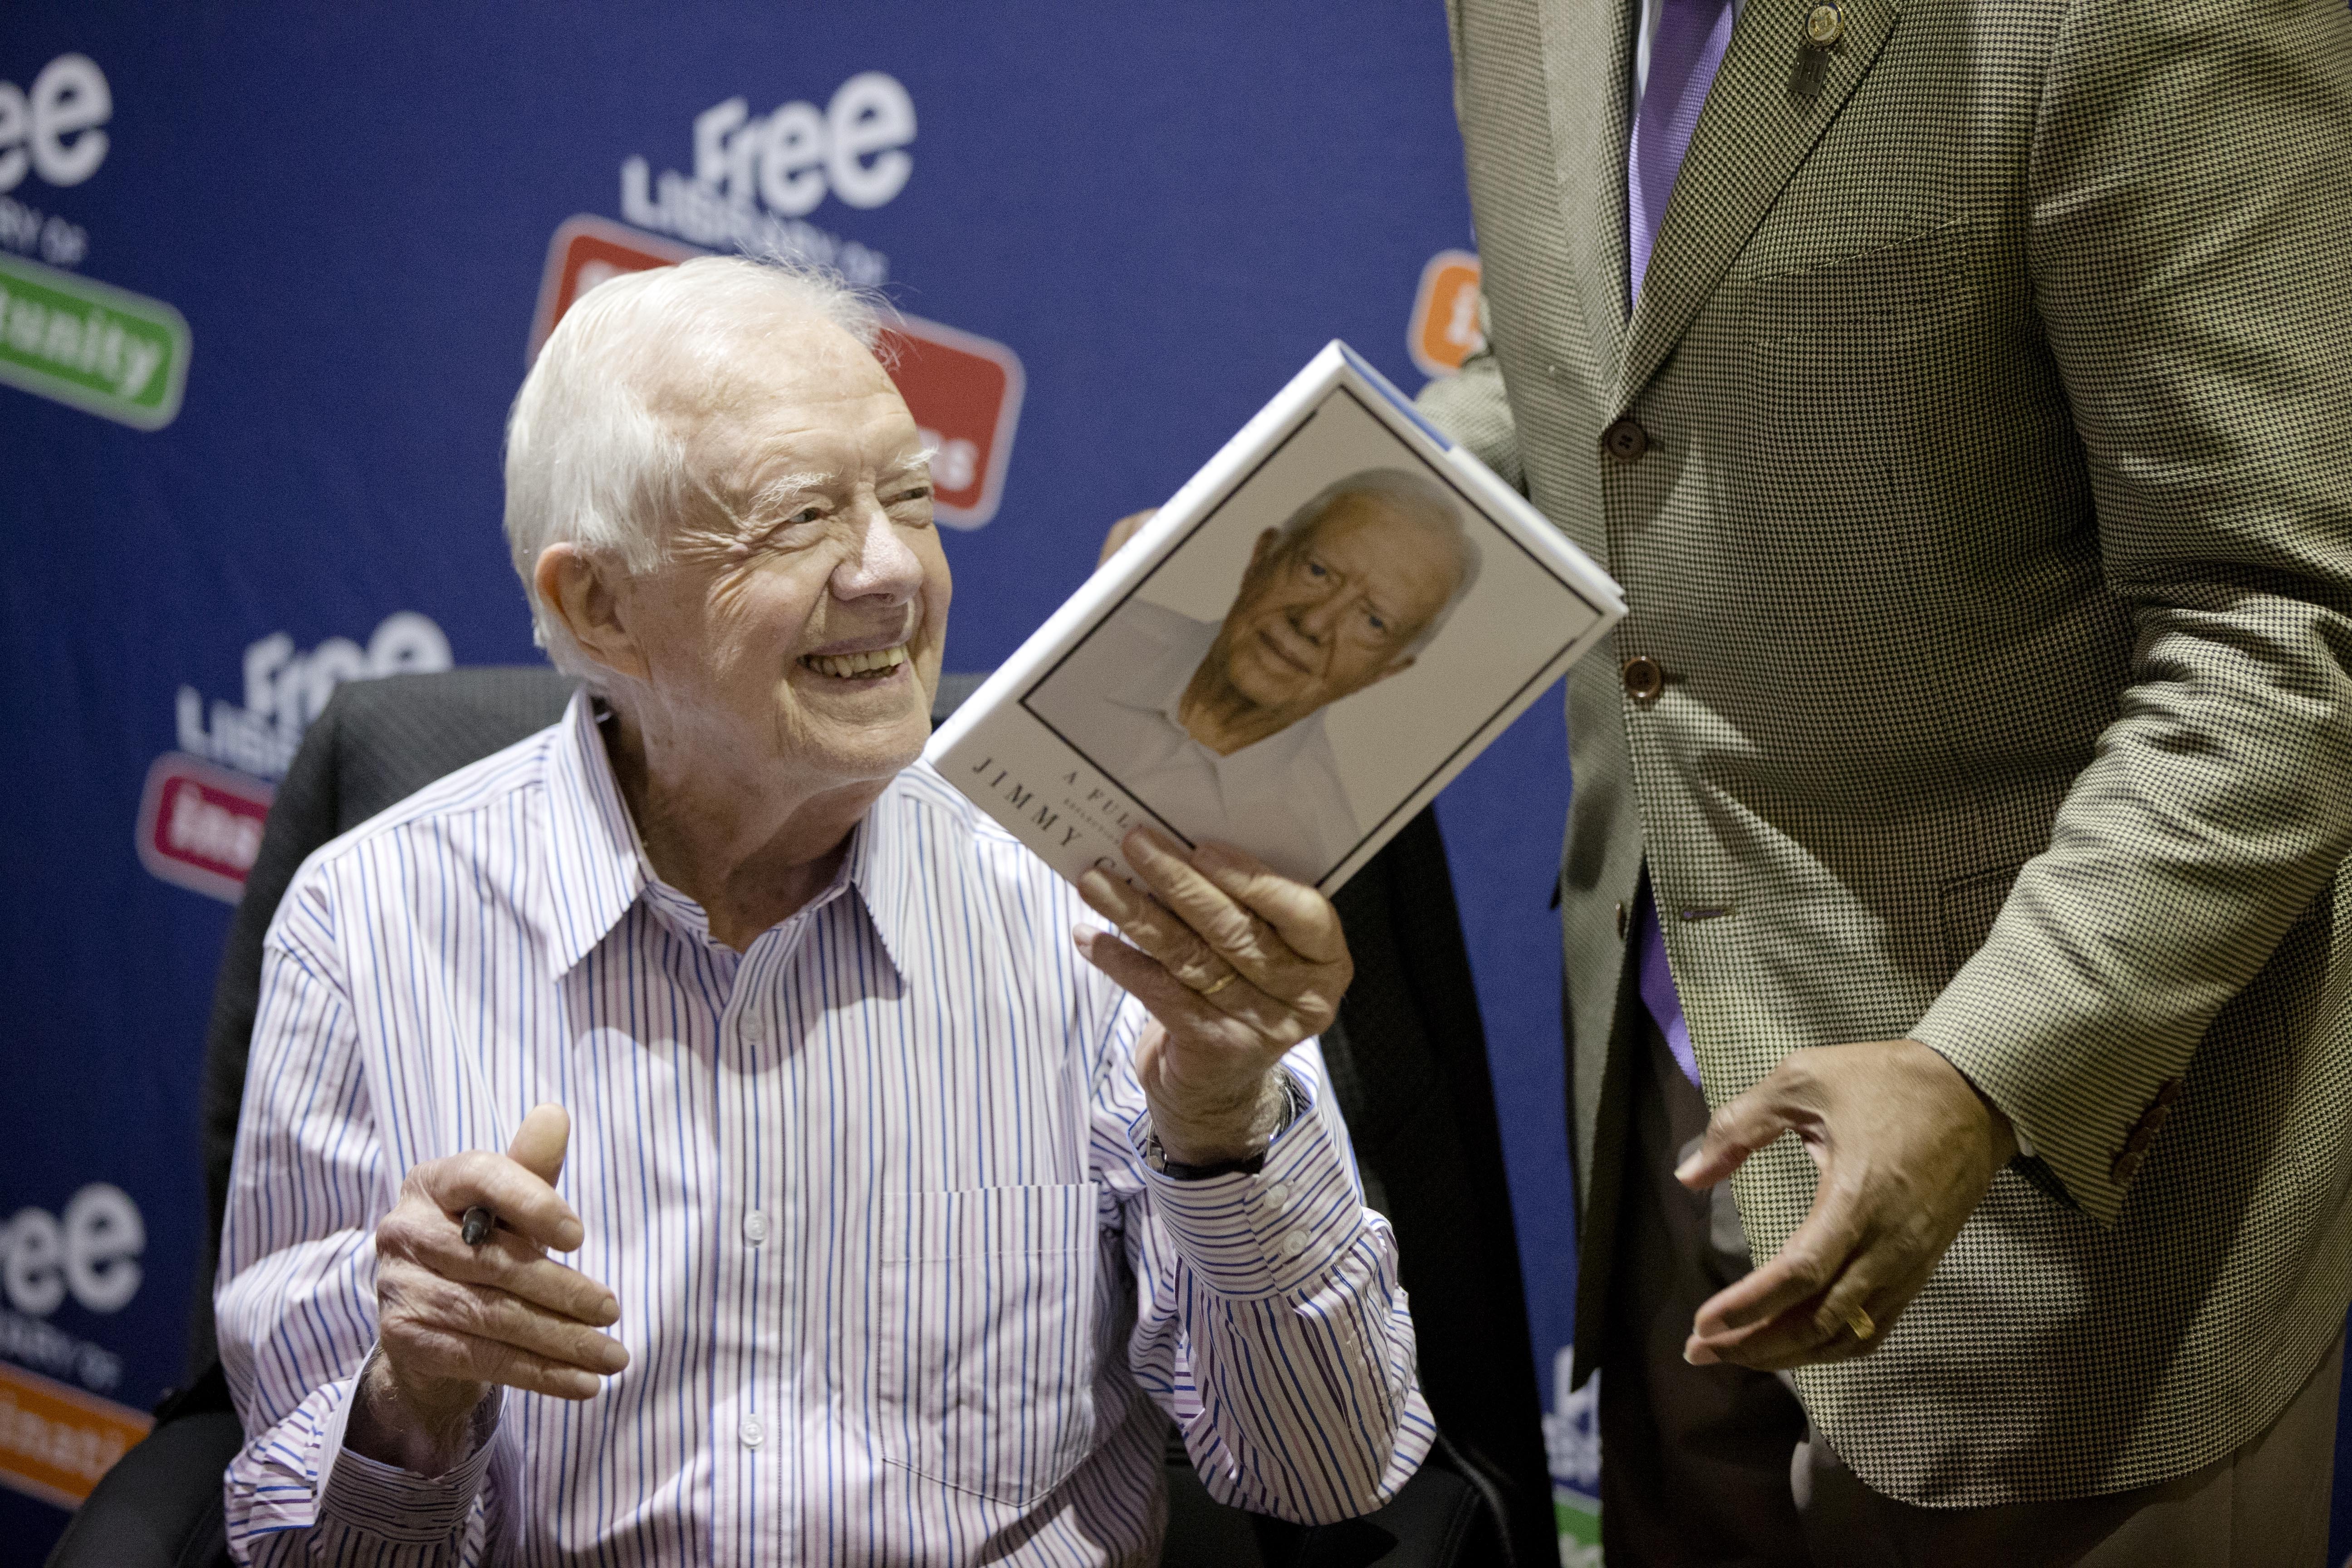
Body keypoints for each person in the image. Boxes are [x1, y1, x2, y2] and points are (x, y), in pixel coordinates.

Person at [213, 255, 1433, 1565]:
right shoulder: (371, 922)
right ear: (598, 603)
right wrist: (413, 1403)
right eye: (799, 520)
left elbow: (1326, 1473)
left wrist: (1218, 1120)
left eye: (911, 499)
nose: (892, 573)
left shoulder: (1100, 900)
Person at [1415, 0, 2352, 1562]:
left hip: (2072, 1192)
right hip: (1665, 1090)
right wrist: (1345, 513)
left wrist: (1985, 1071)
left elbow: (2285, 630)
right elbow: (1596, 343)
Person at [1034, 470, 1479, 882]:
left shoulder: (1317, 855)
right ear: (1262, 555)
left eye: (1373, 622)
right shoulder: (1100, 637)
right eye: (1318, 571)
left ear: (1386, 671)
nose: (1315, 623)